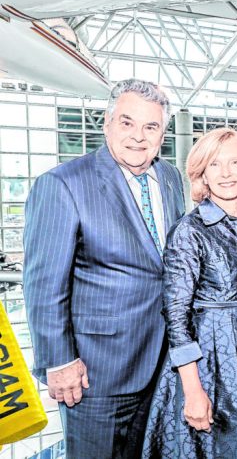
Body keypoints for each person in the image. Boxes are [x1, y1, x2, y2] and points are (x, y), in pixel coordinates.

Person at [23, 79, 185, 458]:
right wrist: (59, 361)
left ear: (163, 133)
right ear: (107, 123)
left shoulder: (172, 179)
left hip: (163, 365)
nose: (138, 137)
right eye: (127, 123)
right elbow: (44, 284)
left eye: (151, 127)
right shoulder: (63, 184)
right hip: (96, 373)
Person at [142, 127, 237, 458]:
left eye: (235, 162)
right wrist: (193, 390)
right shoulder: (188, 231)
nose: (226, 173)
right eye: (214, 165)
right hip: (211, 364)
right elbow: (176, 317)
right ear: (202, 175)